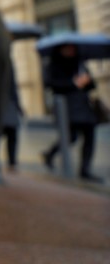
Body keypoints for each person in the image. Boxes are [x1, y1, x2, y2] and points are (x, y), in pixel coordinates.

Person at [40, 44, 103, 183]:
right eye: (67, 48)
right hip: (66, 107)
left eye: (73, 48)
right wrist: (73, 83)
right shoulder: (52, 65)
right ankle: (50, 153)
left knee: (89, 137)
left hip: (84, 106)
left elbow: (92, 86)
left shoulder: (80, 64)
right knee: (71, 137)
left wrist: (87, 81)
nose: (71, 51)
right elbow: (50, 84)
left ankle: (85, 170)